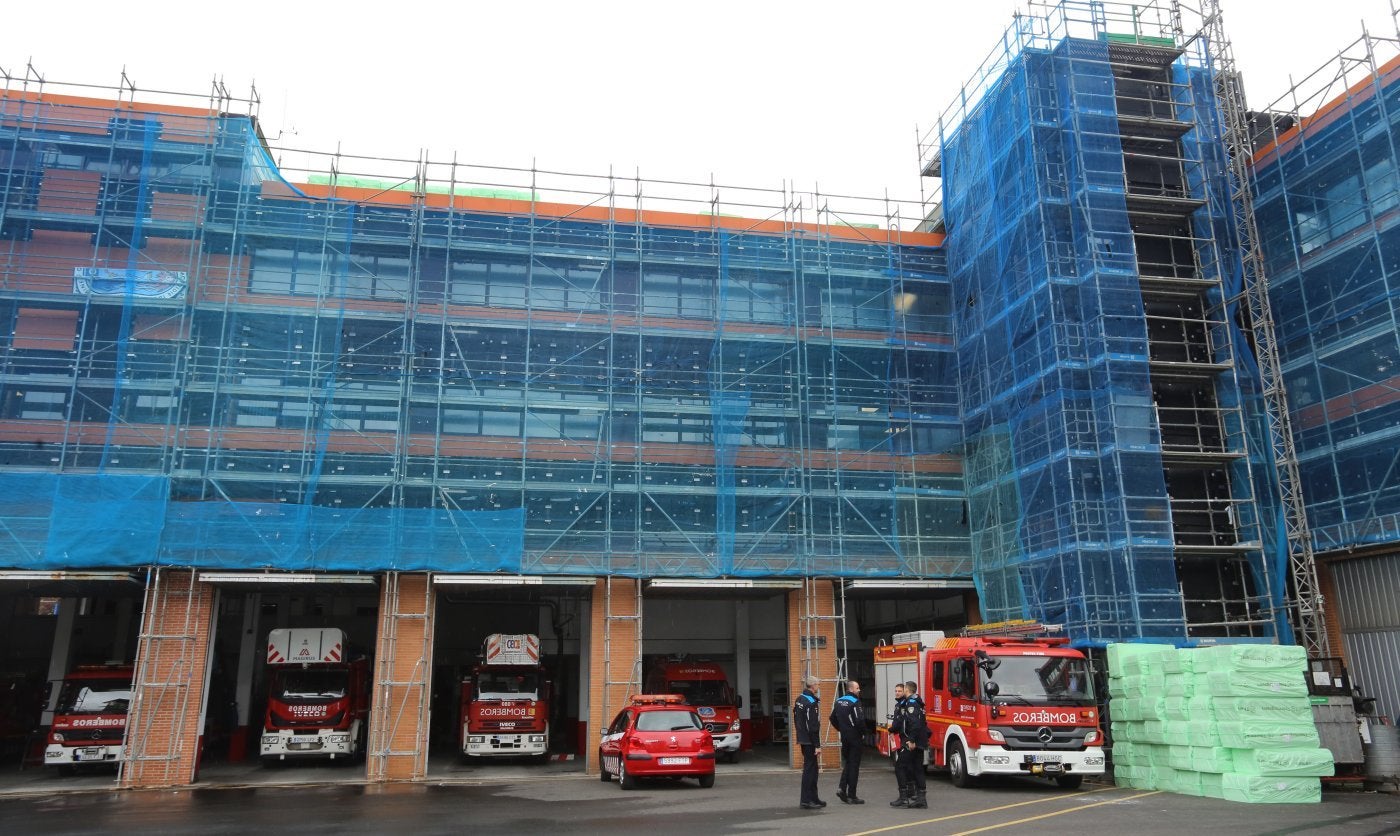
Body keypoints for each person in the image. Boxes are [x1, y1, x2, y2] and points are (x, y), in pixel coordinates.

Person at [894, 680, 930, 809]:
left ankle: (904, 797)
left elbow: (915, 723)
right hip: (920, 740)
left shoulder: (911, 703)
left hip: (913, 740)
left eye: (903, 689)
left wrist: (912, 740)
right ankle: (921, 799)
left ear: (907, 690)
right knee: (917, 768)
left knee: (899, 766)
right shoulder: (917, 702)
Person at [829, 679, 866, 804]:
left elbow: (832, 718)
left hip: (844, 737)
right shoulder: (855, 702)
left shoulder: (839, 701)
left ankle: (842, 788)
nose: (859, 690)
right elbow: (859, 720)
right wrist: (863, 733)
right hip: (855, 737)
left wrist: (841, 728)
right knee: (854, 765)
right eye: (857, 688)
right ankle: (852, 795)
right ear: (851, 689)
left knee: (849, 763)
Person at [793, 675, 826, 810]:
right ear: (813, 686)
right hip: (809, 741)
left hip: (803, 738)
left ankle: (813, 797)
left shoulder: (799, 699)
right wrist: (817, 745)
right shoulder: (811, 702)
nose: (818, 687)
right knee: (810, 770)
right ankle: (807, 800)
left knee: (813, 769)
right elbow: (813, 726)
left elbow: (796, 719)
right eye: (818, 684)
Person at [887, 682, 910, 807]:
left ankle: (904, 796)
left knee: (900, 767)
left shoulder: (904, 705)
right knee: (908, 767)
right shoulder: (898, 705)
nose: (897, 693)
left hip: (906, 739)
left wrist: (891, 730)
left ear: (904, 691)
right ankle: (911, 793)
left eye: (900, 691)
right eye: (896, 691)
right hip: (903, 738)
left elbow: (899, 722)